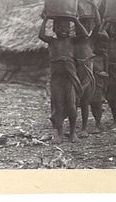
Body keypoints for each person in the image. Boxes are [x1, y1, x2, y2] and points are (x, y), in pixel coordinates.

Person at [38, 15, 88, 144]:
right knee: (58, 106)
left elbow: (84, 34)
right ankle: (59, 134)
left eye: (66, 27)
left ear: (70, 29)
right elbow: (41, 35)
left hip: (69, 77)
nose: (63, 29)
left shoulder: (72, 41)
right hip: (57, 79)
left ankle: (72, 133)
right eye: (59, 27)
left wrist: (76, 20)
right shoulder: (52, 41)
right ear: (54, 29)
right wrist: (46, 19)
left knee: (72, 106)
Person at [73, 0, 101, 137]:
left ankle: (84, 128)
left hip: (87, 75)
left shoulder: (90, 40)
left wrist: (94, 7)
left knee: (85, 101)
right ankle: (71, 127)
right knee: (71, 100)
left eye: (83, 26)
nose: (80, 29)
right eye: (78, 27)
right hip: (73, 73)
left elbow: (98, 24)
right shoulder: (71, 41)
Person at [90, 29, 109, 133]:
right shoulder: (90, 55)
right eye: (100, 46)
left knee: (96, 103)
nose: (103, 49)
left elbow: (106, 71)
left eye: (105, 47)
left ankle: (98, 124)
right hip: (89, 81)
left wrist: (103, 76)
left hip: (99, 82)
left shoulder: (104, 56)